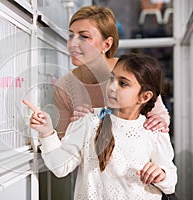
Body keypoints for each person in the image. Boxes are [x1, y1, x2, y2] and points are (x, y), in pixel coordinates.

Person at [23, 53, 177, 199]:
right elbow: (60, 167)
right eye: (111, 78)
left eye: (123, 83)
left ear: (145, 96)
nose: (111, 87)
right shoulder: (88, 121)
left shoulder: (154, 131)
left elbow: (170, 184)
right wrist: (47, 132)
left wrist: (161, 174)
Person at [54, 5, 170, 139]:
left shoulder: (133, 72)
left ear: (107, 45)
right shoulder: (65, 86)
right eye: (71, 35)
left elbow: (160, 117)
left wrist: (159, 122)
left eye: (84, 37)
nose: (72, 44)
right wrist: (77, 127)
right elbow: (62, 140)